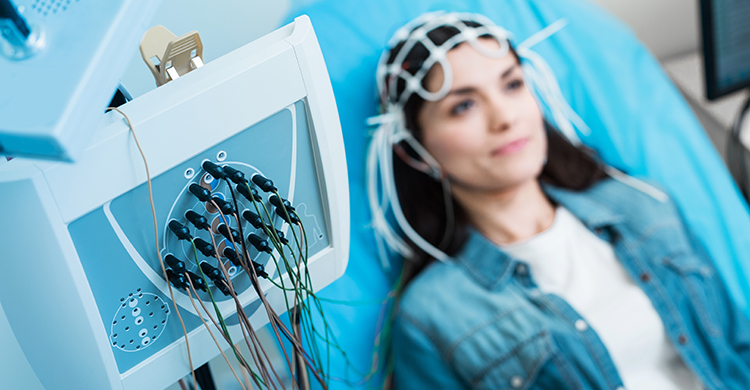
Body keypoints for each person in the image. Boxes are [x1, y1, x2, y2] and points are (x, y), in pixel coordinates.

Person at [365, 11, 750, 389]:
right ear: (415, 150)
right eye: (463, 106)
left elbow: (737, 351)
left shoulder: (643, 206)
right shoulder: (433, 317)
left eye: (512, 85)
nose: (505, 117)